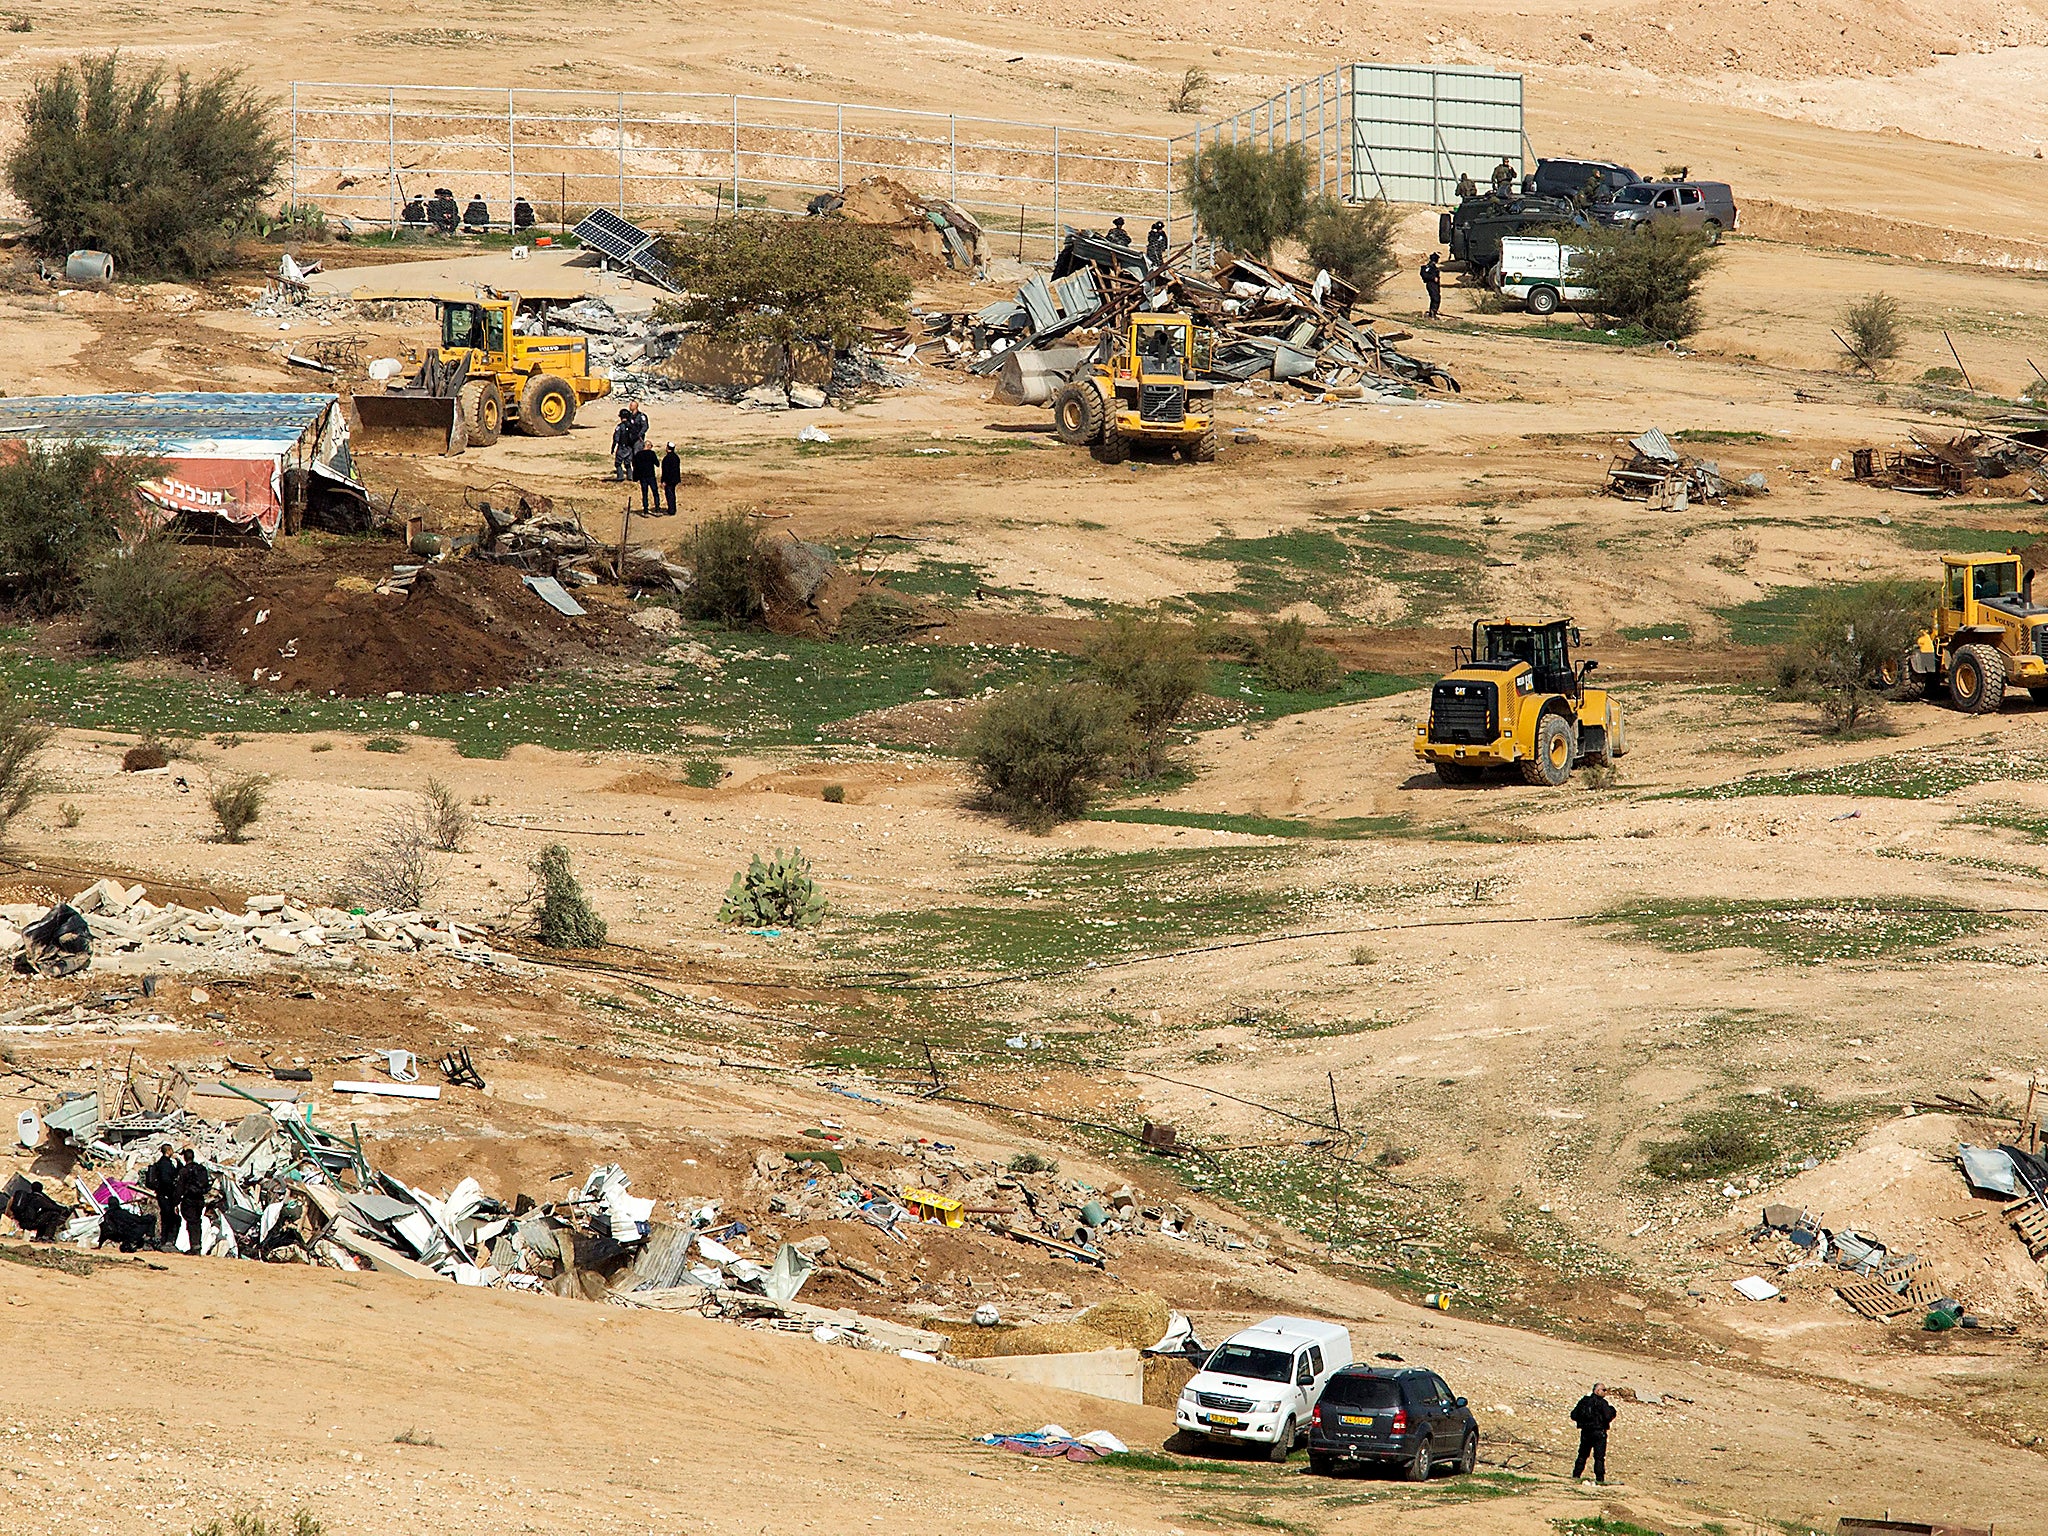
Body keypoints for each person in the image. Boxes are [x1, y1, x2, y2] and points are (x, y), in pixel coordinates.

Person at [1570, 1383, 1617, 1485]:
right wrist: (1612, 1411)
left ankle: (1576, 1475)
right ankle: (1600, 1479)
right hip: (1598, 1433)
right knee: (1599, 1457)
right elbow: (1608, 1416)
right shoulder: (1602, 1403)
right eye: (1604, 1390)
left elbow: (1573, 1415)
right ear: (1597, 1391)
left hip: (1586, 1432)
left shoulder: (1584, 1402)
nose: (1605, 1392)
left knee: (1582, 1455)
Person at [173, 1149, 212, 1255]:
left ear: (185, 1158)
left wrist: (175, 1202)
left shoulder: (184, 1171)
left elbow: (180, 1188)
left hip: (189, 1199)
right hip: (200, 1199)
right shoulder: (201, 1169)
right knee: (197, 1222)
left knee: (191, 1222)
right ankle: (197, 1245)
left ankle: (194, 1246)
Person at [144, 1147, 180, 1250]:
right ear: (168, 1151)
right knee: (169, 1218)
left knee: (166, 1217)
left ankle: (165, 1240)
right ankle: (166, 1241)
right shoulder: (165, 1164)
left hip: (162, 1194)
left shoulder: (163, 1163)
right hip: (165, 1194)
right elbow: (166, 1179)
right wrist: (171, 1190)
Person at [631, 441, 659, 513]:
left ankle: (645, 509)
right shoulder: (652, 454)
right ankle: (657, 508)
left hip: (642, 477)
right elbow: (657, 463)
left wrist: (635, 477)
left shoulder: (638, 455)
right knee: (655, 492)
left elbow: (635, 466)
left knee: (644, 493)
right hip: (651, 476)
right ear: (648, 446)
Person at [611, 410, 635, 481]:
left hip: (622, 447)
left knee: (618, 463)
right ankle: (630, 477)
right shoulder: (632, 426)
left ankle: (620, 477)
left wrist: (613, 448)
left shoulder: (620, 427)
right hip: (630, 447)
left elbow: (616, 438)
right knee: (628, 463)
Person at [660, 443, 683, 516]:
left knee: (669, 494)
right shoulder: (676, 457)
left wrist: (664, 481)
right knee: (672, 494)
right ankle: (673, 508)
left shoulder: (667, 458)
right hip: (675, 479)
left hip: (669, 480)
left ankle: (671, 510)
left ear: (667, 448)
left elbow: (666, 471)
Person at [1420, 251, 1442, 318]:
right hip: (1431, 284)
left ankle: (1433, 312)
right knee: (1435, 298)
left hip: (1435, 285)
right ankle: (1432, 314)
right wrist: (1433, 278)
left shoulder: (1433, 267)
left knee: (1436, 298)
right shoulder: (1429, 266)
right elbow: (1424, 274)